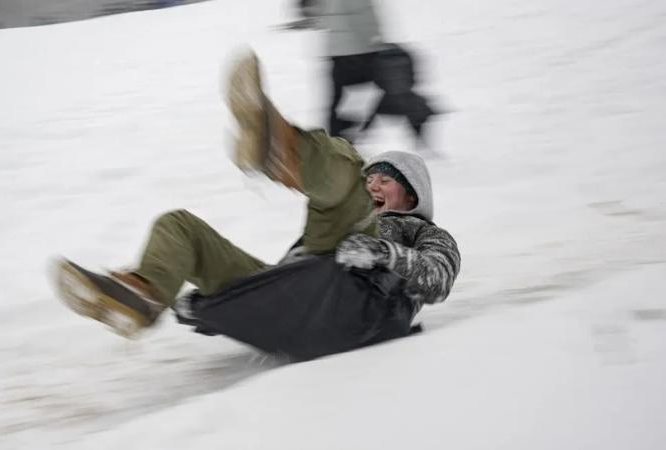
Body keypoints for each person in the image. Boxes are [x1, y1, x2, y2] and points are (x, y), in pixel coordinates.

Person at [50, 50, 459, 361]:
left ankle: (284, 152)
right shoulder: (337, 226)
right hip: (301, 305)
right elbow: (289, 277)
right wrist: (213, 310)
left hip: (363, 313)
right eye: (373, 177)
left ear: (413, 196)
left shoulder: (424, 234)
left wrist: (382, 251)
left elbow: (438, 279)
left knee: (346, 169)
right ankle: (141, 297)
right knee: (181, 228)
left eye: (386, 180)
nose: (374, 183)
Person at [304, 0, 435, 143]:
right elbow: (364, 17)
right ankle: (341, 144)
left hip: (338, 51)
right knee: (359, 100)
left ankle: (337, 144)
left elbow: (321, 14)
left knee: (346, 101)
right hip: (358, 51)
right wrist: (376, 41)